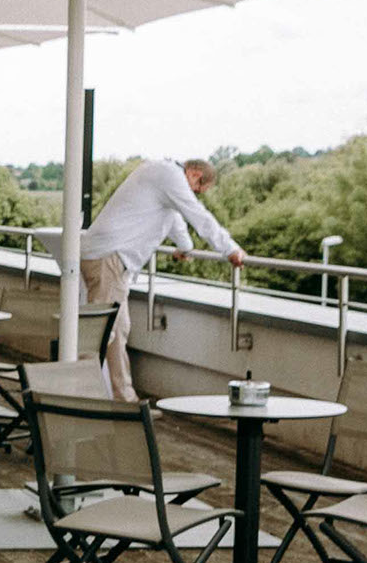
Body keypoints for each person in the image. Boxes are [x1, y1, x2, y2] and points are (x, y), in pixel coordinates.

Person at [81, 157, 245, 398]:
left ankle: (121, 400)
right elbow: (198, 215)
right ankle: (81, 398)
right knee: (103, 334)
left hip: (109, 259)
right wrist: (230, 249)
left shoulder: (162, 179)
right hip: (108, 258)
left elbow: (177, 225)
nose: (196, 193)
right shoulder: (169, 175)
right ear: (195, 173)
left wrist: (185, 248)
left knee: (117, 330)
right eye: (199, 187)